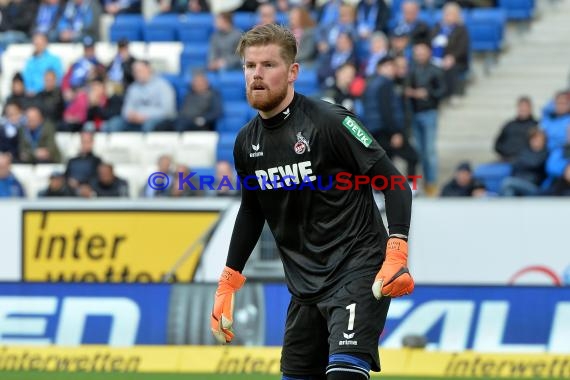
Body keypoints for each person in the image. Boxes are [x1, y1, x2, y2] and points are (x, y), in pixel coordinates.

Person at [210, 24, 414, 380]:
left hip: (358, 269)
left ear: (292, 73)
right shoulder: (246, 143)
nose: (256, 75)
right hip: (304, 285)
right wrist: (229, 280)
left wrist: (396, 251)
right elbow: (252, 211)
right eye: (249, 66)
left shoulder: (331, 121)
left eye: (268, 65)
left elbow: (396, 183)